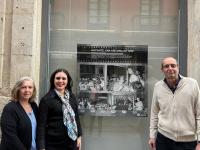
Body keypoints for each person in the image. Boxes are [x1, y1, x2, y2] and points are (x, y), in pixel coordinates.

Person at [149, 57, 200, 150]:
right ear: (162, 69)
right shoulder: (158, 87)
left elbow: (199, 114)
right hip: (164, 138)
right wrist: (152, 136)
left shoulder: (192, 84)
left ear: (178, 67)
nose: (170, 68)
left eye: (173, 65)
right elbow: (154, 113)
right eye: (166, 66)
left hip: (188, 141)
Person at [37, 68, 82, 150]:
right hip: (53, 144)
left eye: (64, 78)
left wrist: (79, 136)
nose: (61, 81)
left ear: (68, 81)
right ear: (53, 80)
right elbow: (41, 126)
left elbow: (76, 117)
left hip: (71, 142)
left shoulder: (72, 97)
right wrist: (41, 147)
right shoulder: (46, 100)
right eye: (58, 78)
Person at [0, 76, 38, 150]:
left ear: (33, 90)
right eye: (23, 87)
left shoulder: (34, 106)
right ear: (18, 89)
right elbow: (10, 136)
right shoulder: (10, 108)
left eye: (30, 87)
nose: (27, 90)